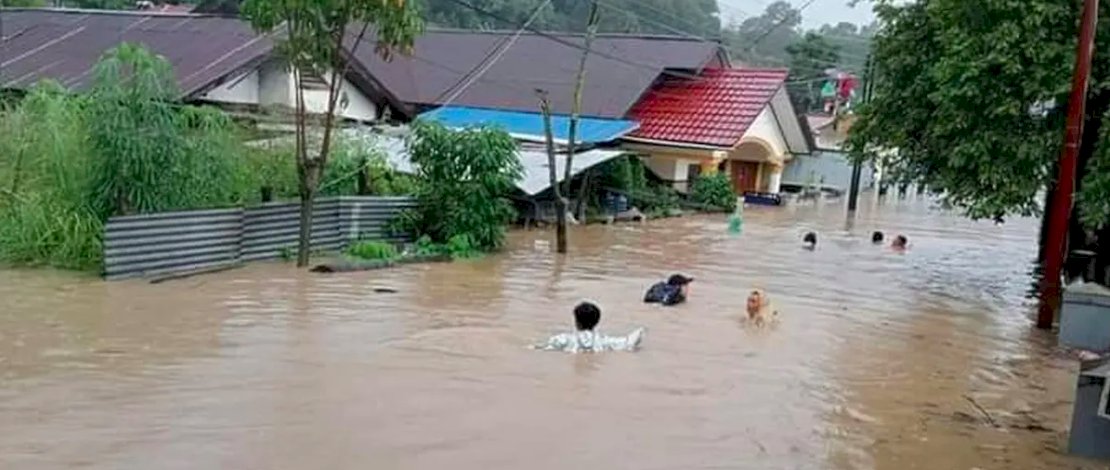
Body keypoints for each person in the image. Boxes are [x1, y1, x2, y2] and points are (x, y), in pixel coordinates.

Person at [536, 302, 645, 353]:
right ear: (597, 322)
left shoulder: (563, 339)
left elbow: (544, 348)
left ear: (576, 321)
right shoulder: (604, 341)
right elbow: (629, 342)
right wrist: (641, 329)